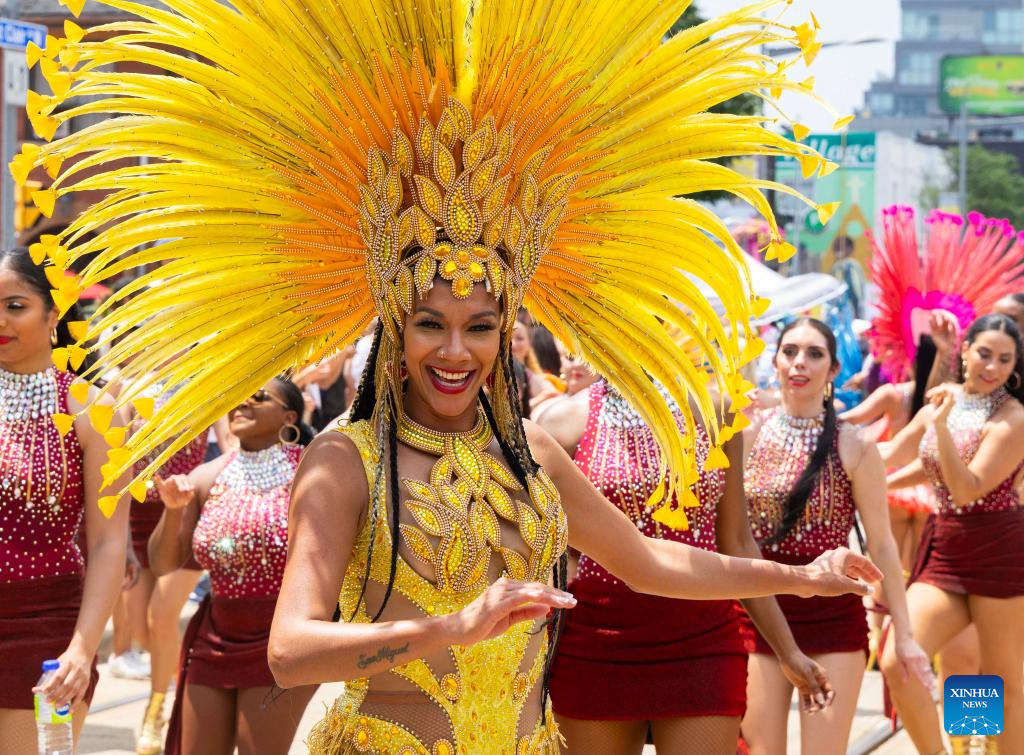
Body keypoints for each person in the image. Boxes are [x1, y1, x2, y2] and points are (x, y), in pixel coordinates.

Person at [23, 2, 882, 753]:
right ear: (396, 333)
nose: (455, 351)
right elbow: (289, 648)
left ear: (507, 334)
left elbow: (650, 559)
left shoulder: (532, 453)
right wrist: (452, 627)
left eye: (480, 327)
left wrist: (803, 577)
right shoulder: (345, 459)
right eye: (430, 323)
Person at [541, 378, 835, 754]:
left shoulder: (716, 411)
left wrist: (788, 650)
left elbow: (736, 542)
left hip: (703, 642)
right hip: (597, 642)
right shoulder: (563, 423)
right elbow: (552, 554)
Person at [741, 318, 930, 755]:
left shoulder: (856, 442)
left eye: (814, 353)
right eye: (790, 351)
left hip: (835, 616)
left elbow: (881, 543)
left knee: (985, 668)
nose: (799, 362)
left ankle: (974, 743)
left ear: (833, 369)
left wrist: (904, 634)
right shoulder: (748, 433)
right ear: (775, 360)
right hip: (762, 612)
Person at [0, 247, 129, 751]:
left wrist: (82, 649)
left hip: (46, 630)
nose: (0, 320)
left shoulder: (93, 411)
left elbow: (108, 543)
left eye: (15, 306)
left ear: (53, 314)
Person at [881, 313, 1024, 755]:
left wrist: (940, 426)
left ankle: (983, 747)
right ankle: (955, 750)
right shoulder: (944, 402)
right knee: (904, 658)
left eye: (1004, 359)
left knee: (996, 676)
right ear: (966, 351)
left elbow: (965, 487)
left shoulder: (1013, 417)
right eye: (985, 353)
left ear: (1015, 364)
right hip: (946, 548)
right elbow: (900, 456)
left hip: (997, 552)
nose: (992, 366)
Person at [149, 378, 316, 755]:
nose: (242, 403)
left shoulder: (310, 470)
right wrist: (173, 512)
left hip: (279, 639)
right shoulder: (206, 477)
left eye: (258, 396)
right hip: (216, 636)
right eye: (237, 396)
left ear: (288, 417)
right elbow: (162, 565)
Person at [125, 382, 210, 754]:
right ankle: (182, 681)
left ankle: (156, 710)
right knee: (139, 630)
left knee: (161, 618)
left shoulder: (207, 383)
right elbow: (116, 452)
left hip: (184, 515)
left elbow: (230, 442)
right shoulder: (131, 385)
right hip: (138, 515)